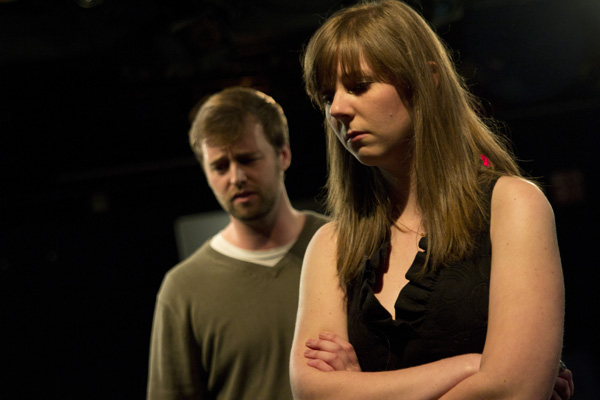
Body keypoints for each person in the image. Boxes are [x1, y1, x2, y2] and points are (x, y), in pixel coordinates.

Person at [289, 1, 574, 399]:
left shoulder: (511, 206)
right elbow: (314, 392)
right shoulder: (332, 246)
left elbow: (514, 390)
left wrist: (361, 388)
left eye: (358, 86)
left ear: (427, 78)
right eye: (326, 97)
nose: (337, 109)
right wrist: (469, 367)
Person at [147, 86, 328, 400]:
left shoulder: (345, 247)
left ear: (283, 154)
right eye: (220, 166)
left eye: (248, 159)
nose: (236, 177)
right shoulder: (183, 291)